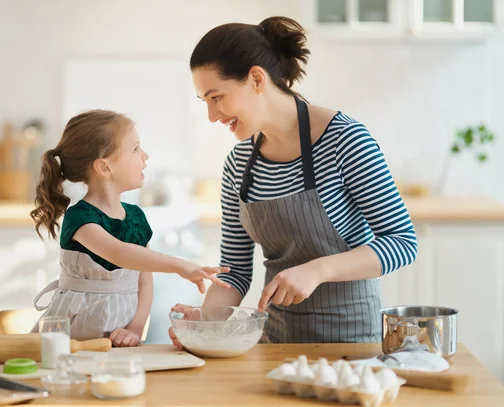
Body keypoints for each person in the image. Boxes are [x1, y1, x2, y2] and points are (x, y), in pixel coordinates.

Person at [170, 16, 418, 346]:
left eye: (217, 97)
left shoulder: (345, 140)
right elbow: (235, 271)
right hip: (275, 340)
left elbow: (402, 242)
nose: (212, 116)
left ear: (256, 79)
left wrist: (317, 270)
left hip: (351, 343)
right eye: (205, 102)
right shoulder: (238, 164)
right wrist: (203, 323)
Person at [29, 109, 230, 346]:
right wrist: (180, 266)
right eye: (135, 149)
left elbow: (144, 281)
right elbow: (119, 253)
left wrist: (135, 328)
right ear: (104, 167)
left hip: (120, 337)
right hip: (73, 336)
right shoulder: (80, 218)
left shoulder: (136, 217)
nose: (145, 156)